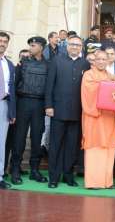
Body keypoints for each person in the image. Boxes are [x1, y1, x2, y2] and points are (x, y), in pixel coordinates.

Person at [45, 35, 89, 188]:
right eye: (72, 44)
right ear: (67, 45)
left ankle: (68, 175)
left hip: (77, 112)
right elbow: (49, 84)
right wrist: (48, 106)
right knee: (56, 145)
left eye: (78, 45)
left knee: (72, 146)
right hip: (58, 110)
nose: (75, 47)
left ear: (81, 47)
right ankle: (54, 177)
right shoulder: (57, 60)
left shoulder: (86, 64)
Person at [11, 36, 48, 185]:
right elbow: (14, 85)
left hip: (39, 104)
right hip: (23, 102)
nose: (30, 48)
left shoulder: (49, 65)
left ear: (41, 47)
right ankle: (15, 169)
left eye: (33, 45)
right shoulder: (22, 63)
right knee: (19, 138)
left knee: (37, 137)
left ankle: (34, 170)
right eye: (30, 45)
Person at [81, 50, 115, 189]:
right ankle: (93, 182)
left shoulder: (109, 75)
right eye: (99, 59)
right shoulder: (88, 75)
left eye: (105, 59)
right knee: (94, 148)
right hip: (94, 116)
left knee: (109, 148)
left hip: (108, 117)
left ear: (108, 61)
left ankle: (107, 182)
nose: (102, 61)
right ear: (94, 60)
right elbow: (88, 92)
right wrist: (106, 84)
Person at [4, 49, 30, 178]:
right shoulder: (13, 69)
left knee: (18, 141)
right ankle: (4, 169)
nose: (24, 59)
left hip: (22, 110)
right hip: (12, 109)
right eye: (22, 57)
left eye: (27, 57)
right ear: (18, 58)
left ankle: (16, 166)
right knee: (8, 141)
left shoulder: (29, 70)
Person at [0, 32, 16, 190]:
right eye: (0, 41)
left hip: (4, 105)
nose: (2, 43)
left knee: (1, 143)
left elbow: (11, 89)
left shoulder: (9, 64)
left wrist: (12, 112)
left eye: (5, 41)